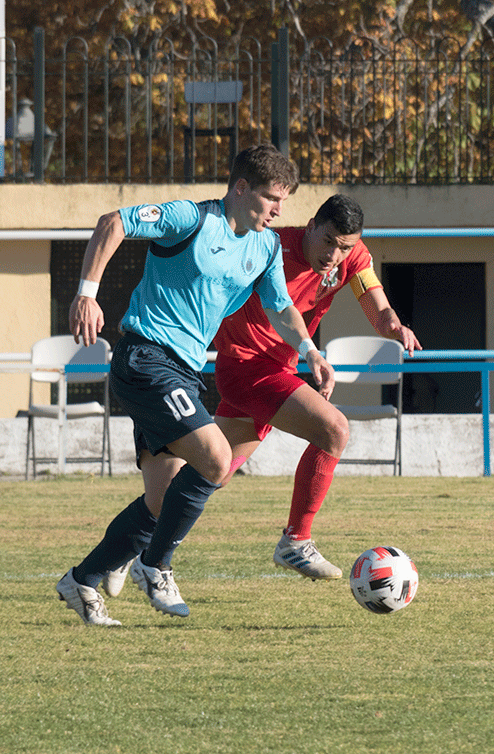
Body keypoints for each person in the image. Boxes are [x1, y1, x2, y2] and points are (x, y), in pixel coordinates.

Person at [55, 144, 335, 626]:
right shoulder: (190, 219)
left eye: (284, 201)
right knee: (218, 460)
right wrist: (86, 294)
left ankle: (82, 579)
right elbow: (112, 222)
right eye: (271, 198)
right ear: (240, 188)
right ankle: (155, 567)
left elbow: (280, 307)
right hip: (145, 356)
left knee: (162, 501)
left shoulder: (265, 247)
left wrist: (310, 350)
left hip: (183, 371)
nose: (278, 211)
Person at [211, 194, 421, 578]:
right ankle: (295, 541)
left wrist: (391, 324)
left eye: (344, 247)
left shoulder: (352, 256)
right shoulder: (270, 248)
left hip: (277, 369)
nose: (334, 255)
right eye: (328, 242)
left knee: (211, 472)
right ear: (310, 227)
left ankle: (132, 545)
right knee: (334, 429)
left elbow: (374, 299)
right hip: (246, 367)